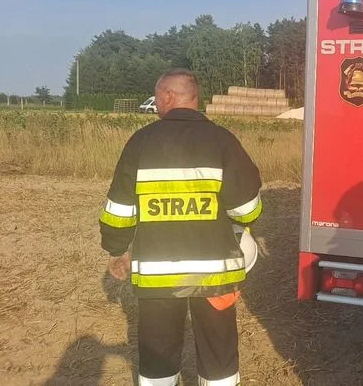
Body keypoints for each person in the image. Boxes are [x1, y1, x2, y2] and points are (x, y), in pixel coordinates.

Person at [99, 69, 263, 386]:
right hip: (216, 274)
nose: (156, 103)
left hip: (158, 275)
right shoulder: (223, 141)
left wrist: (116, 249)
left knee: (158, 356)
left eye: (157, 96)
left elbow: (119, 212)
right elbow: (247, 211)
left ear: (168, 96)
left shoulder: (141, 143)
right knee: (219, 356)